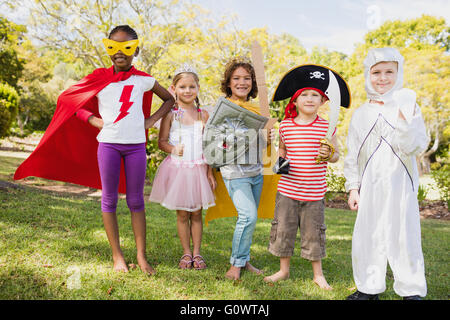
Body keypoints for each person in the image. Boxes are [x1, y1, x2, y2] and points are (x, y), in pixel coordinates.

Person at [15, 25, 175, 275]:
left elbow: (169, 99)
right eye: (113, 46)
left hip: (135, 148)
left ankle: (142, 257)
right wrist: (93, 120)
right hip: (108, 145)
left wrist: (152, 120)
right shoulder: (98, 78)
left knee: (136, 201)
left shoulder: (145, 80)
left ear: (136, 50)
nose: (119, 52)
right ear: (108, 49)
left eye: (126, 47)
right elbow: (70, 102)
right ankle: (117, 256)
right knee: (109, 199)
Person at [344, 47, 428, 300]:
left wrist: (405, 118)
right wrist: (353, 187)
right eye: (376, 72)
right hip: (370, 187)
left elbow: (415, 146)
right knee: (368, 235)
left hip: (401, 185)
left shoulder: (409, 107)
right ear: (368, 75)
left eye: (389, 72)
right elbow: (352, 155)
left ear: (399, 73)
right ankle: (368, 288)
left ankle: (411, 290)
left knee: (405, 235)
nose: (382, 78)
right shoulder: (360, 114)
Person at [264, 64, 350, 290]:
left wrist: (328, 153)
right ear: (294, 100)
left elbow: (335, 156)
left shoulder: (327, 127)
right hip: (288, 190)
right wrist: (280, 160)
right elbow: (283, 151)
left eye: (315, 95)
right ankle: (283, 270)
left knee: (314, 233)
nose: (310, 99)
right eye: (304, 94)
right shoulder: (286, 127)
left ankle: (318, 274)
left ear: (323, 102)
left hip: (314, 192)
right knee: (284, 229)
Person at [205, 58, 271, 280]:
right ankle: (235, 264)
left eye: (247, 78)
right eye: (236, 78)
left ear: (253, 82)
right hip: (235, 173)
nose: (242, 82)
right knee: (248, 216)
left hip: (256, 171)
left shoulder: (258, 109)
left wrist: (267, 137)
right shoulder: (223, 109)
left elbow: (262, 145)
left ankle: (245, 260)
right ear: (229, 83)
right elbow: (216, 141)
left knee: (249, 219)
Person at [149, 65, 216, 270]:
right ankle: (186, 252)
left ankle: (197, 252)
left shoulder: (203, 115)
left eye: (192, 86)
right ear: (174, 88)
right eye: (183, 86)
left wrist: (210, 173)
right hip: (178, 169)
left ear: (197, 88)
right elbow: (161, 142)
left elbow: (208, 146)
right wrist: (172, 148)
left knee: (196, 213)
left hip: (198, 169)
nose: (187, 91)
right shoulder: (170, 115)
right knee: (182, 214)